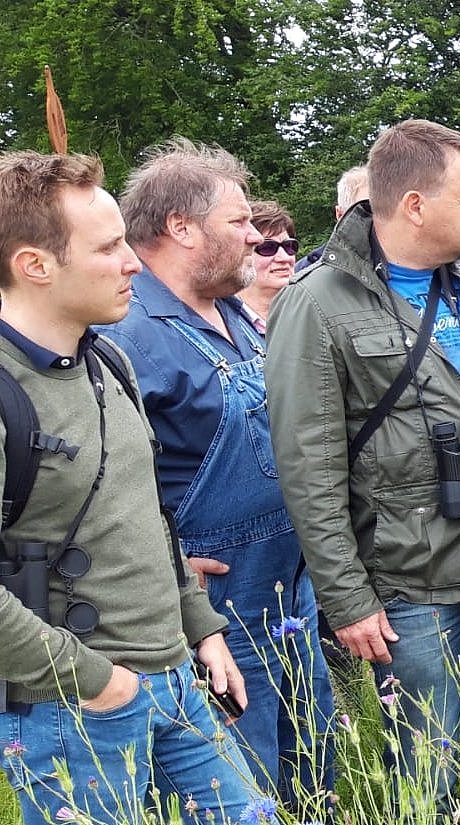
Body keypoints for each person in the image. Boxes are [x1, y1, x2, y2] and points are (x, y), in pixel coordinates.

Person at [265, 119, 460, 814]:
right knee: (423, 772)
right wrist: (347, 597)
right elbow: (308, 468)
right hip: (412, 579)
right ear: (414, 206)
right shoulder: (315, 304)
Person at [0, 151, 264, 824]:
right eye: (108, 247)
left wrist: (201, 628)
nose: (134, 264)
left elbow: (147, 513)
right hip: (70, 707)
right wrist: (96, 681)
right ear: (35, 265)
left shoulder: (109, 359)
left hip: (178, 679)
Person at [101, 139, 334, 808]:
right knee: (244, 790)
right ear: (181, 227)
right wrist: (166, 569)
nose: (255, 237)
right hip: (218, 611)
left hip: (290, 594)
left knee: (313, 775)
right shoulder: (127, 332)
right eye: (238, 222)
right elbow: (107, 484)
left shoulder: (233, 311)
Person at [238, 199, 298, 332]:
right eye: (268, 248)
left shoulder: (310, 315)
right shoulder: (222, 323)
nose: (284, 258)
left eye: (289, 246)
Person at [297, 164, 370, 271]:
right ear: (340, 215)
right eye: (367, 209)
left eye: (385, 210)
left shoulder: (395, 266)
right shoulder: (310, 270)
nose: (379, 219)